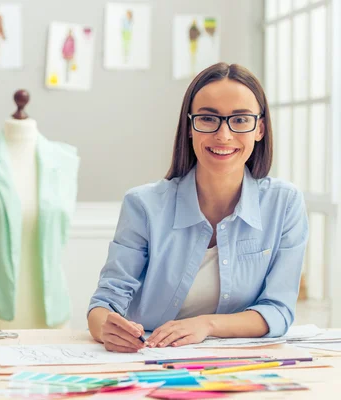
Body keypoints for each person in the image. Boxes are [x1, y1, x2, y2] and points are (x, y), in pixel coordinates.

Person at [87, 62, 309, 353]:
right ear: (189, 127)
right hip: (148, 359)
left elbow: (278, 311)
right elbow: (103, 307)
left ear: (260, 129)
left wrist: (207, 325)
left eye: (240, 120)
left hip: (240, 361)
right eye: (208, 119)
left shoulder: (285, 204)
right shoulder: (143, 205)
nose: (224, 135)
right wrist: (109, 330)